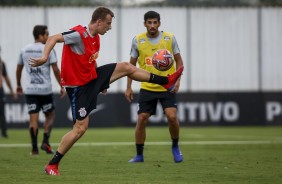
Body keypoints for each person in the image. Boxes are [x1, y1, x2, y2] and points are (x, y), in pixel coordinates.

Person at [29, 7, 183, 176]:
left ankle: (166, 81)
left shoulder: (96, 38)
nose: (109, 27)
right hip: (78, 89)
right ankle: (52, 164)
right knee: (80, 129)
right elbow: (53, 38)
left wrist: (101, 84)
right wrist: (44, 57)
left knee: (126, 66)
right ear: (99, 21)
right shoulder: (79, 33)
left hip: (91, 80)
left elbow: (91, 62)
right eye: (108, 23)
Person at [125, 11, 184, 163]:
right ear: (144, 23)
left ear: (159, 23)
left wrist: (177, 80)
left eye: (155, 22)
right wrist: (128, 87)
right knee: (141, 119)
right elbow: (130, 66)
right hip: (147, 86)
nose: (152, 26)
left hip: (167, 86)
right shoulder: (138, 40)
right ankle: (139, 155)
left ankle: (175, 147)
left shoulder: (169, 38)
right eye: (149, 22)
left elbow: (179, 61)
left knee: (172, 116)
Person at [16, 25, 66, 155]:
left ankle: (34, 149)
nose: (48, 37)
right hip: (45, 90)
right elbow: (56, 70)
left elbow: (18, 69)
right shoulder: (48, 49)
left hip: (30, 90)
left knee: (33, 119)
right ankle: (45, 141)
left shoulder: (24, 50)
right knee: (50, 115)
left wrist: (18, 85)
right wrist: (62, 86)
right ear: (40, 35)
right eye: (46, 34)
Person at [0, 46, 17, 138]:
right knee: (2, 113)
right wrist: (11, 91)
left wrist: (11, 91)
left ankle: (4, 132)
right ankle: (4, 132)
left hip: (0, 90)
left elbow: (6, 78)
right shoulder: (1, 63)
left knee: (2, 113)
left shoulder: (1, 64)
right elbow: (6, 78)